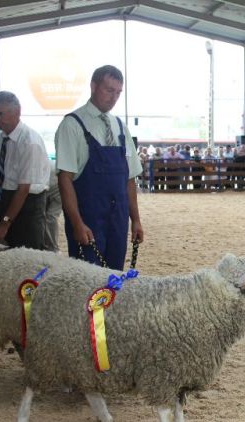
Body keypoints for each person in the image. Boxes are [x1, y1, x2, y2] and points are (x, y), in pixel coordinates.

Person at [55, 65, 144, 270]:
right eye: (109, 90)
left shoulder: (120, 127)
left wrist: (136, 220)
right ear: (93, 86)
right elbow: (65, 179)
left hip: (118, 220)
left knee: (114, 279)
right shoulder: (72, 124)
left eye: (118, 92)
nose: (113, 97)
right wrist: (77, 223)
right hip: (89, 219)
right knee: (86, 283)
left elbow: (129, 178)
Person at [0, 91, 50, 248]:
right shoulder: (1, 139)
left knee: (28, 254)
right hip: (6, 198)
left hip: (29, 205)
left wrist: (5, 224)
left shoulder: (30, 142)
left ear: (17, 111)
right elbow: (1, 176)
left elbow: (23, 189)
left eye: (1, 113)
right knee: (4, 253)